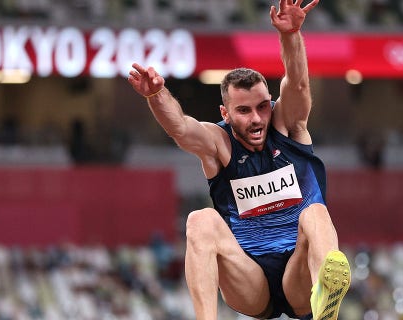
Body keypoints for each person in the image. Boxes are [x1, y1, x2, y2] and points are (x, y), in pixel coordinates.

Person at [127, 1, 350, 319]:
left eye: (262, 107)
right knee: (199, 221)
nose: (257, 119)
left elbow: (297, 83)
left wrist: (291, 35)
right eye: (244, 111)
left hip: (299, 275)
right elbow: (180, 128)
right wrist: (156, 96)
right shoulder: (219, 144)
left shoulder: (287, 126)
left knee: (315, 213)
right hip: (250, 279)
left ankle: (326, 308)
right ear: (226, 114)